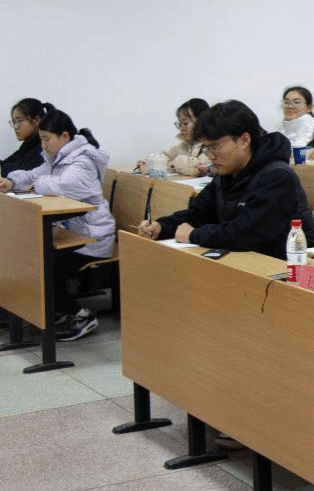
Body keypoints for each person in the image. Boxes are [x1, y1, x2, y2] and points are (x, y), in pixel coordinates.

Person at [138, 100, 314, 258]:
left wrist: (194, 235)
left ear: (244, 140)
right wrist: (162, 226)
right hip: (247, 260)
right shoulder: (228, 173)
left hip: (287, 266)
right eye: (206, 148)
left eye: (215, 147)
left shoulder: (277, 176)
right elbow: (198, 214)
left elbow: (247, 234)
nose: (210, 156)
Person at [0, 106, 114, 341]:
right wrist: (12, 182)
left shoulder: (82, 161)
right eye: (41, 139)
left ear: (64, 136)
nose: (43, 145)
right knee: (28, 257)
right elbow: (35, 174)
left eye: (46, 139)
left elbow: (64, 185)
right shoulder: (57, 157)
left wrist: (37, 184)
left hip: (92, 236)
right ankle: (51, 312)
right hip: (71, 231)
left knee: (43, 266)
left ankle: (80, 316)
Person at [136, 98, 213, 176]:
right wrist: (147, 164)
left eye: (185, 123)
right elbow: (163, 158)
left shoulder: (211, 145)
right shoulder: (185, 144)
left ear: (201, 122)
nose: (181, 128)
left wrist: (173, 164)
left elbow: (196, 168)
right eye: (180, 124)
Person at [3, 98, 47, 177]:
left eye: (19, 120)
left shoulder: (46, 146)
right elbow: (5, 164)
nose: (15, 127)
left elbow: (23, 172)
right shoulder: (27, 146)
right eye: (14, 122)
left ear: (37, 121)